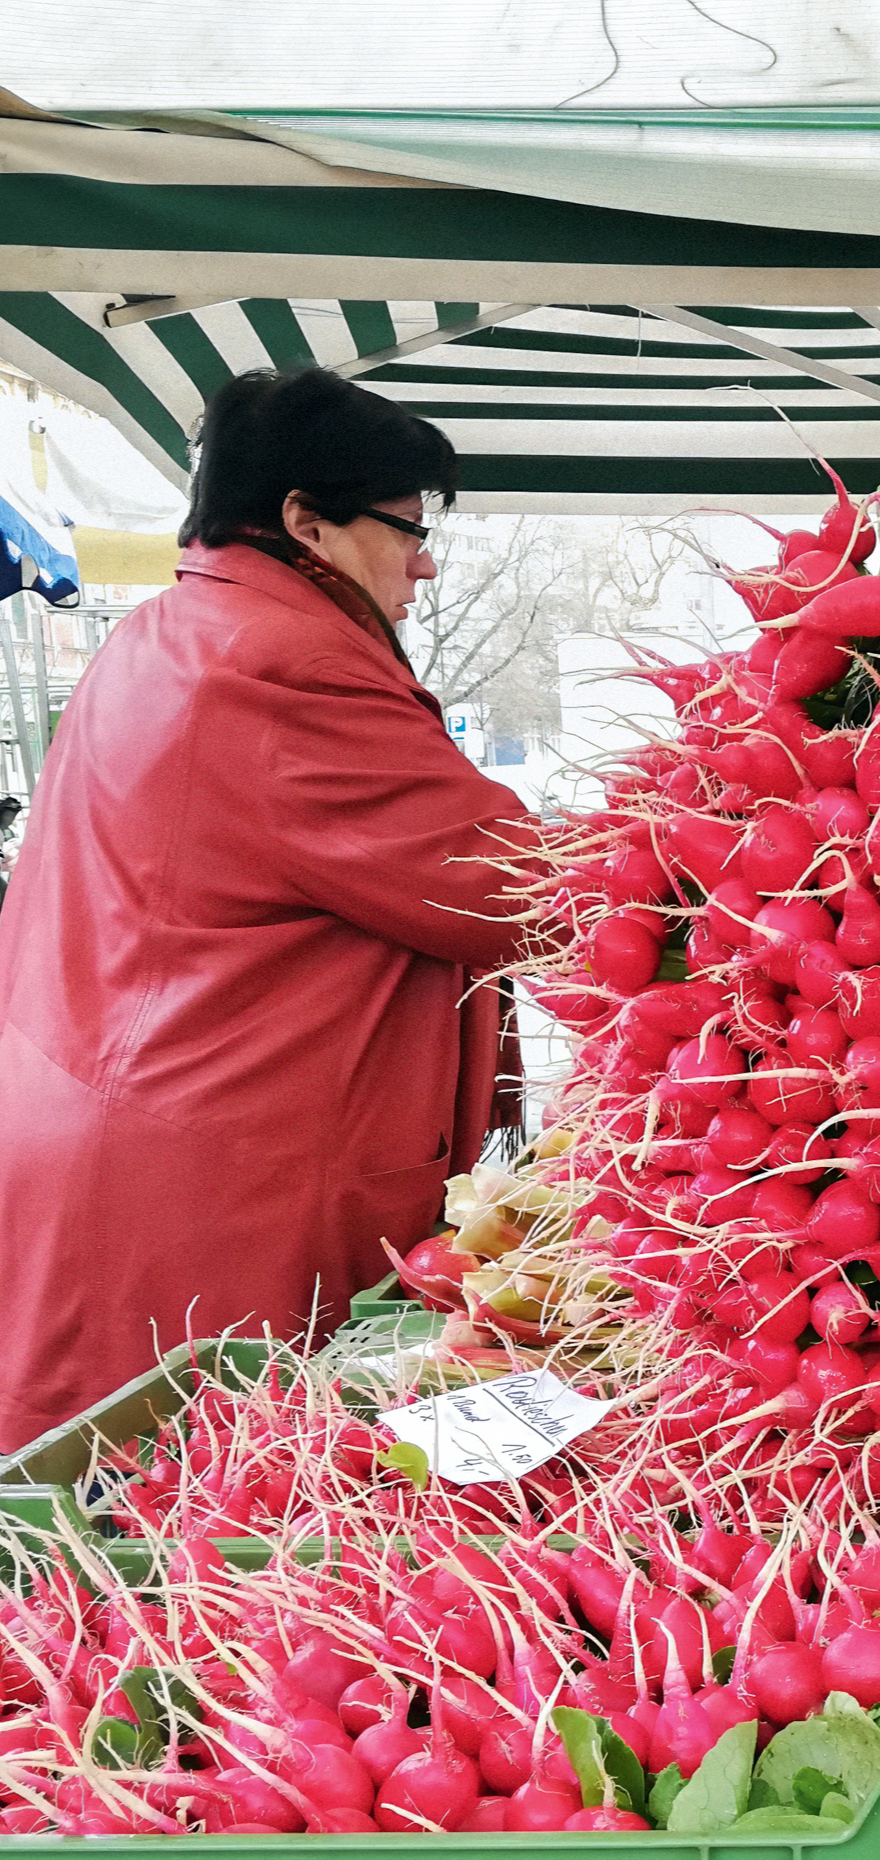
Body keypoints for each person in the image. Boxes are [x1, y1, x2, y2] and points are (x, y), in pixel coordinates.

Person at [0, 368, 545, 1451]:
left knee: (120, 1505)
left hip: (136, 1131)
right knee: (201, 1501)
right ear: (305, 520)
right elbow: (500, 879)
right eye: (406, 528)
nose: (423, 562)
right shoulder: (275, 663)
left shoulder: (168, 632)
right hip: (204, 1174)